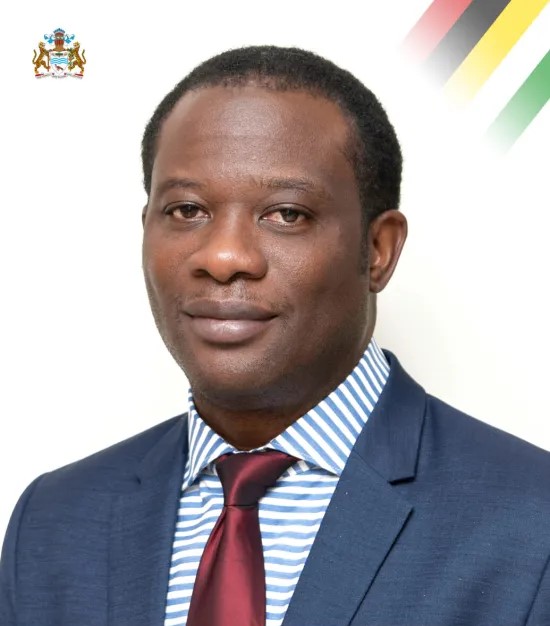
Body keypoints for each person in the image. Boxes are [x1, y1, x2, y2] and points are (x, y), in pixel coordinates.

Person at [1, 45, 549, 626]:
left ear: (378, 249)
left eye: (286, 214)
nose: (223, 257)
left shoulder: (531, 521)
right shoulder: (53, 522)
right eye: (186, 210)